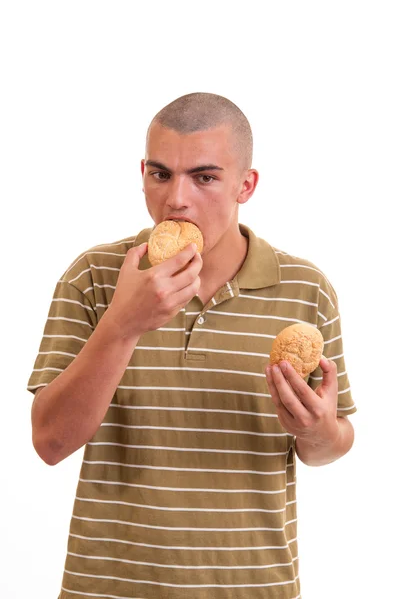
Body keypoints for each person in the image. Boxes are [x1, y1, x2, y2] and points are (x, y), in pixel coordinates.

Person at [27, 92, 356, 599]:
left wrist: (317, 430)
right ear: (142, 172)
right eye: (160, 174)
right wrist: (123, 323)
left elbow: (331, 445)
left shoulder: (305, 288)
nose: (176, 199)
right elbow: (50, 443)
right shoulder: (93, 277)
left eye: (204, 177)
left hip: (252, 587)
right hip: (108, 588)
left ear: (246, 184)